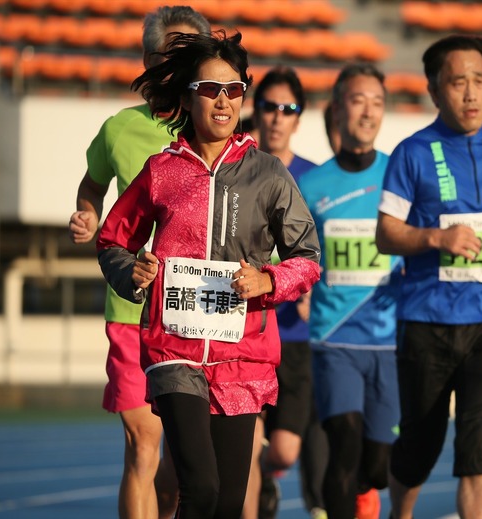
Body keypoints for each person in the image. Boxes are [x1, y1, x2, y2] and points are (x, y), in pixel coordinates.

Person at [96, 31, 321, 517]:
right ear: (186, 97)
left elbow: (307, 256)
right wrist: (131, 270)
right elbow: (113, 239)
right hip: (172, 347)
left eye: (234, 90)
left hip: (243, 354)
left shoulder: (269, 174)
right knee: (199, 488)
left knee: (228, 502)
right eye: (209, 90)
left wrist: (269, 280)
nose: (223, 101)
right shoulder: (162, 171)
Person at [374, 34, 482, 519]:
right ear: (434, 90)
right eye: (457, 82)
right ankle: (400, 513)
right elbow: (386, 234)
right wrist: (435, 239)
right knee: (420, 448)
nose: (471, 93)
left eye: (479, 81)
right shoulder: (413, 153)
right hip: (426, 324)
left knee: (480, 449)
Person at [67, 7, 210, 519]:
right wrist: (88, 214)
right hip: (132, 308)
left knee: (180, 469)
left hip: (199, 315)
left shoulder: (217, 128)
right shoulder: (119, 129)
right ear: (150, 60)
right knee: (143, 443)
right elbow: (93, 182)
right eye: (174, 50)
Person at [297, 63, 401, 519]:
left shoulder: (400, 175)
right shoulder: (311, 186)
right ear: (338, 109)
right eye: (359, 100)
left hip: (390, 342)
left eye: (377, 102)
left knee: (377, 467)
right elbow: (293, 254)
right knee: (344, 444)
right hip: (334, 340)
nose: (368, 112)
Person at [243, 66, 329, 519]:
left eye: (287, 109)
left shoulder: (313, 180)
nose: (277, 117)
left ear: (299, 118)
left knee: (283, 452)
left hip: (296, 338)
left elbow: (324, 250)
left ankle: (267, 481)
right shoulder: (237, 171)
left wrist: (315, 283)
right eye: (269, 107)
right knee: (245, 443)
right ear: (254, 112)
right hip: (246, 329)